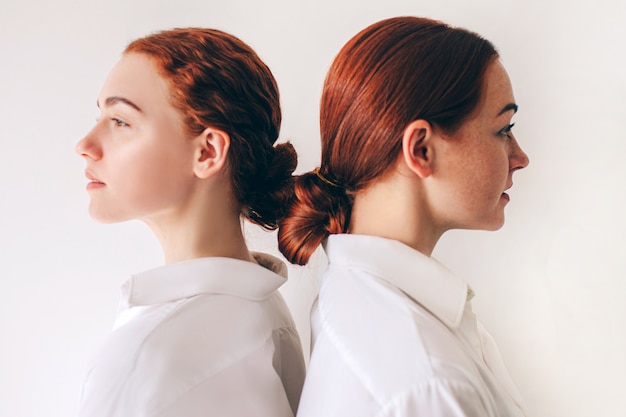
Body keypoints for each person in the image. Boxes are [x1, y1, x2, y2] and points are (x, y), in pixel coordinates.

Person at [278, 16, 529, 417]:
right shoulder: (428, 387)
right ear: (422, 149)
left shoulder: (359, 299)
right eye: (504, 129)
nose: (520, 158)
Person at [75, 28, 305, 417]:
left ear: (208, 152)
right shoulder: (264, 312)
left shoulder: (149, 358)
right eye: (99, 116)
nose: (84, 144)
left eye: (120, 120)